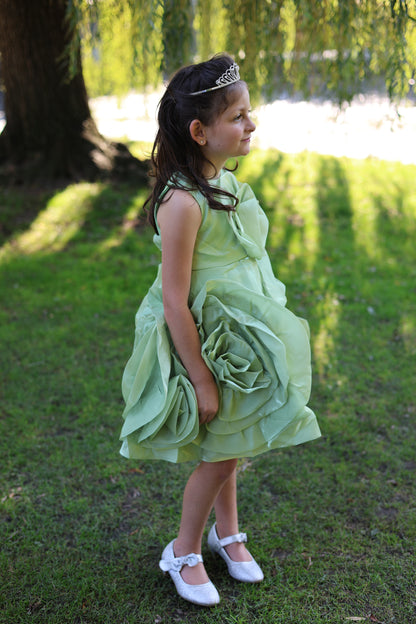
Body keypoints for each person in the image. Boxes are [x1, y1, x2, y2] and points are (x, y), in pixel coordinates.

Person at [119, 54, 321, 607]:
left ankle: (225, 532)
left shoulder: (221, 182)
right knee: (223, 451)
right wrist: (202, 379)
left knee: (236, 437)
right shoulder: (183, 202)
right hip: (207, 342)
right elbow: (174, 300)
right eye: (238, 116)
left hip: (241, 339)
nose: (251, 124)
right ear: (200, 131)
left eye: (249, 113)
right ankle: (183, 550)